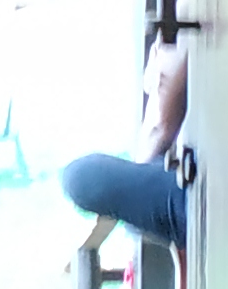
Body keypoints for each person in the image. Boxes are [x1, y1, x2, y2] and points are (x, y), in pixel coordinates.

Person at [61, 36, 189, 257]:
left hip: (189, 209)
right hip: (188, 199)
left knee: (76, 178)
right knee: (76, 177)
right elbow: (160, 127)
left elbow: (159, 129)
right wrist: (159, 78)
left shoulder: (150, 216)